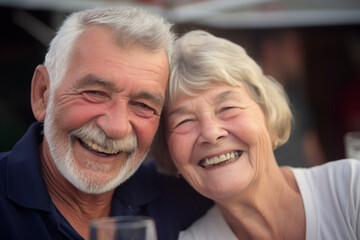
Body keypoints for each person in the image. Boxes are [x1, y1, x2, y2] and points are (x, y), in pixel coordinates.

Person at [0, 9, 212, 240]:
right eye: (95, 93)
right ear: (42, 94)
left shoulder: (182, 201)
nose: (116, 128)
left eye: (143, 105)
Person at [152, 30, 360, 239]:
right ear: (170, 153)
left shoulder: (350, 190)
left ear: (268, 115)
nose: (211, 133)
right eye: (184, 121)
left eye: (228, 108)